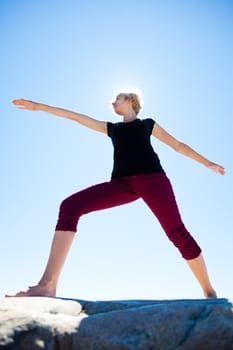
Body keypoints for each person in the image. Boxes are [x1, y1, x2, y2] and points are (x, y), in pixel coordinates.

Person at [6, 92, 225, 299]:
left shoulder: (147, 124)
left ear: (130, 100)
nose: (112, 102)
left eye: (116, 98)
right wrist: (38, 107)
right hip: (122, 184)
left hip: (153, 180)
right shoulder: (112, 129)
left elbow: (177, 145)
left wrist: (208, 163)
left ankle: (209, 292)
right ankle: (47, 285)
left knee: (177, 232)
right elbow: (74, 117)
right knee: (70, 206)